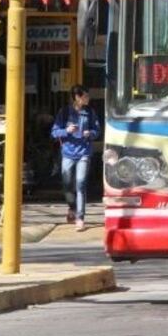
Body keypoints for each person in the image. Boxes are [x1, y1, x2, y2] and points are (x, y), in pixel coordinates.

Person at [51, 85, 100, 231]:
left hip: (84, 152)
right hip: (67, 153)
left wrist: (90, 133)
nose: (88, 98)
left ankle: (80, 218)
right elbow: (54, 132)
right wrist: (66, 130)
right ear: (77, 98)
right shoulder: (64, 112)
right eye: (85, 96)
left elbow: (97, 131)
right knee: (66, 184)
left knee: (80, 184)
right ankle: (72, 207)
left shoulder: (90, 112)